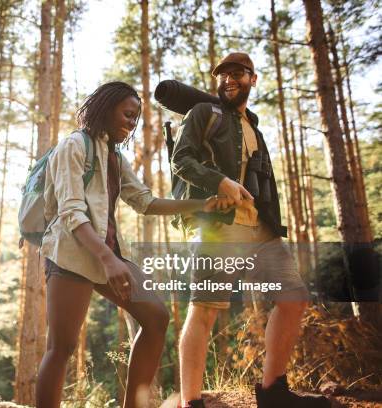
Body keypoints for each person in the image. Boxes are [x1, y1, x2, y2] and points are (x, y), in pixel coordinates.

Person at [36, 81, 230, 408]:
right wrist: (109, 261)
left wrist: (201, 205)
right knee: (62, 347)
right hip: (71, 253)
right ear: (105, 108)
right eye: (127, 114)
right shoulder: (74, 145)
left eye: (135, 119)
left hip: (107, 254)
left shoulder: (114, 156)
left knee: (155, 318)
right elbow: (70, 210)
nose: (131, 123)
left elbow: (145, 201)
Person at [171, 52, 331, 408]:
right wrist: (218, 182)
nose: (228, 79)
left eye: (237, 73)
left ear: (252, 79)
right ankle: (191, 402)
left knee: (294, 296)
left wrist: (272, 222)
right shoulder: (203, 114)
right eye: (222, 75)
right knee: (206, 308)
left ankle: (273, 391)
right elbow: (180, 159)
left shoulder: (254, 128)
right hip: (218, 225)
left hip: (259, 226)